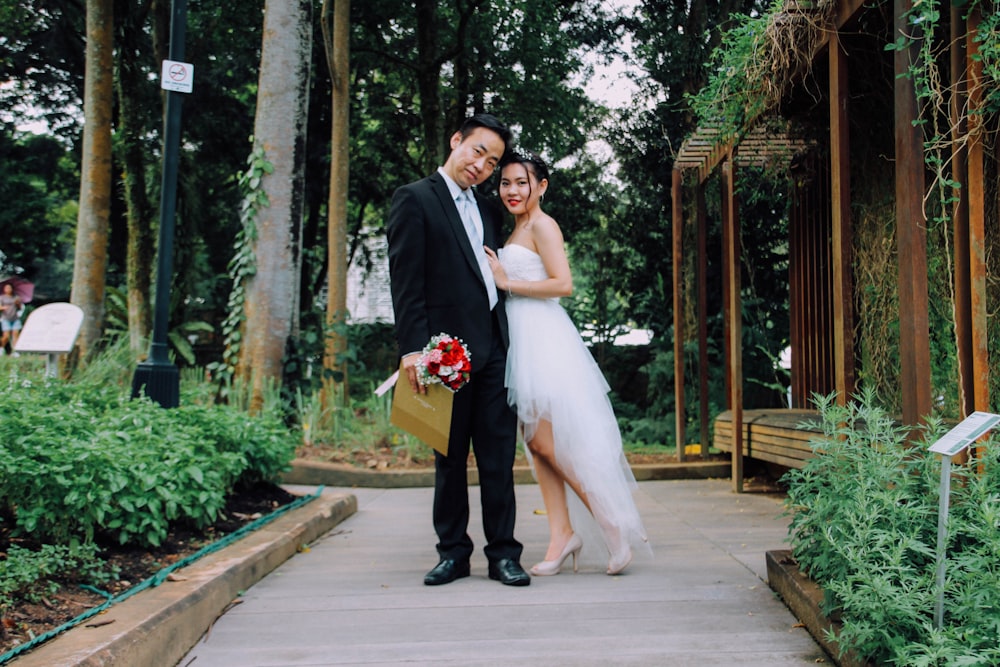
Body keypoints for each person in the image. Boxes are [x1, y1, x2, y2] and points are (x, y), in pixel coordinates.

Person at [484, 150, 648, 576]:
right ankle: (561, 535)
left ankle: (610, 522)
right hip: (519, 338)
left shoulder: (542, 224)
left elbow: (563, 284)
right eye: (506, 183)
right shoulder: (517, 226)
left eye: (522, 182)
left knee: (544, 442)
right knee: (536, 447)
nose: (512, 190)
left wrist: (507, 282)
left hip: (543, 337)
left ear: (541, 186)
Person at [386, 114, 530, 587]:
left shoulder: (488, 211)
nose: (482, 165)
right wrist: (412, 351)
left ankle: (504, 555)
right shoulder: (414, 199)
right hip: (443, 354)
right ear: (456, 142)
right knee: (449, 459)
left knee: (497, 458)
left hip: (493, 351)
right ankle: (452, 553)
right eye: (477, 152)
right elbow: (406, 283)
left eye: (491, 161)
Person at [0, 283, 23, 355]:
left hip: (15, 318)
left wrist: (18, 304)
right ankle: (1, 348)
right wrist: (4, 307)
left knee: (15, 335)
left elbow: (20, 309)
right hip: (6, 318)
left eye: (9, 288)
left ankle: (16, 352)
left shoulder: (16, 297)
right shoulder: (2, 297)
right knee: (6, 336)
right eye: (6, 288)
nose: (8, 289)